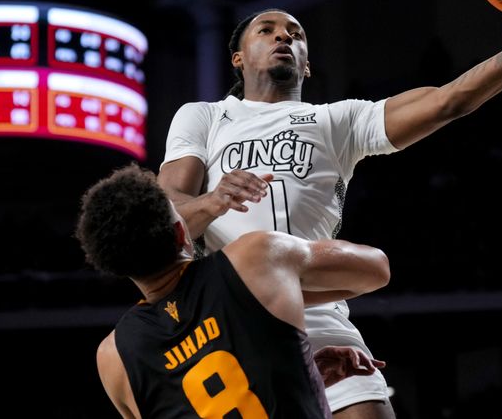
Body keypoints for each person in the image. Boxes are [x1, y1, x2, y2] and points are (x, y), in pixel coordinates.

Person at [158, 0, 502, 417]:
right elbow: (166, 208)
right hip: (228, 319)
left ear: (306, 65)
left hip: (316, 312)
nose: (285, 35)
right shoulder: (204, 116)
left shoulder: (336, 120)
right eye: (268, 29)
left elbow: (450, 101)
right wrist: (216, 199)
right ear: (239, 58)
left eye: (296, 34)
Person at [75, 163, 390, 418]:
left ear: (115, 268)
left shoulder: (113, 358)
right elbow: (377, 270)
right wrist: (280, 308)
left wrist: (295, 365)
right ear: (181, 232)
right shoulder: (255, 258)